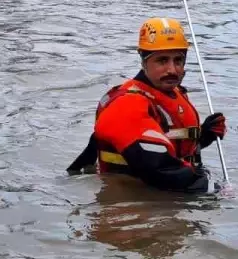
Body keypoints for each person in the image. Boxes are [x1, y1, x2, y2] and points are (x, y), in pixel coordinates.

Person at [67, 17, 226, 194]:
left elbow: (168, 146)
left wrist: (203, 136)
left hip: (169, 191)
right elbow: (159, 170)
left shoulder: (172, 93)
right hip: (129, 203)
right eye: (162, 60)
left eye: (178, 60)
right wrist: (218, 190)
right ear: (144, 62)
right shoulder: (127, 105)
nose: (172, 70)